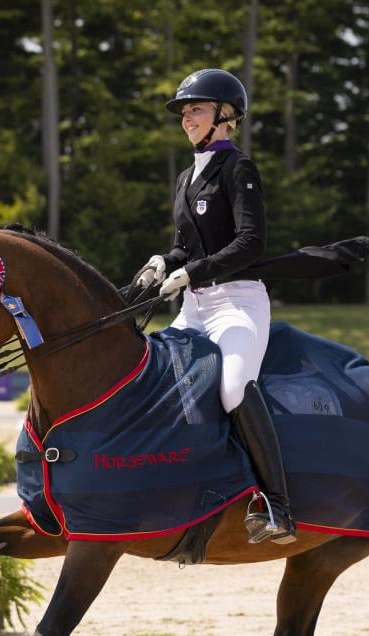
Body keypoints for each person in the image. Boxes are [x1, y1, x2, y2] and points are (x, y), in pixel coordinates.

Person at [133, 67, 294, 544]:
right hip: (195, 306)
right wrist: (164, 261)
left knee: (232, 387)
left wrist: (193, 272)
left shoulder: (237, 168)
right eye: (184, 112)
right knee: (148, 378)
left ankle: (278, 506)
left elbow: (251, 244)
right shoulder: (187, 176)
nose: (187, 119)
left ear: (226, 116)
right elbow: (187, 246)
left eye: (196, 110)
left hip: (237, 303)